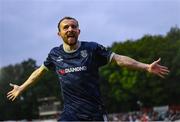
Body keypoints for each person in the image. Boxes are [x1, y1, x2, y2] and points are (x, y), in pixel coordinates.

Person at [7, 16, 170, 121]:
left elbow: (119, 59)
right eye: (66, 27)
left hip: (95, 114)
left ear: (78, 31)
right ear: (59, 33)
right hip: (70, 115)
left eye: (73, 26)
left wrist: (146, 67)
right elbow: (39, 72)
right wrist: (21, 87)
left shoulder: (92, 49)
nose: (70, 29)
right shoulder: (54, 54)